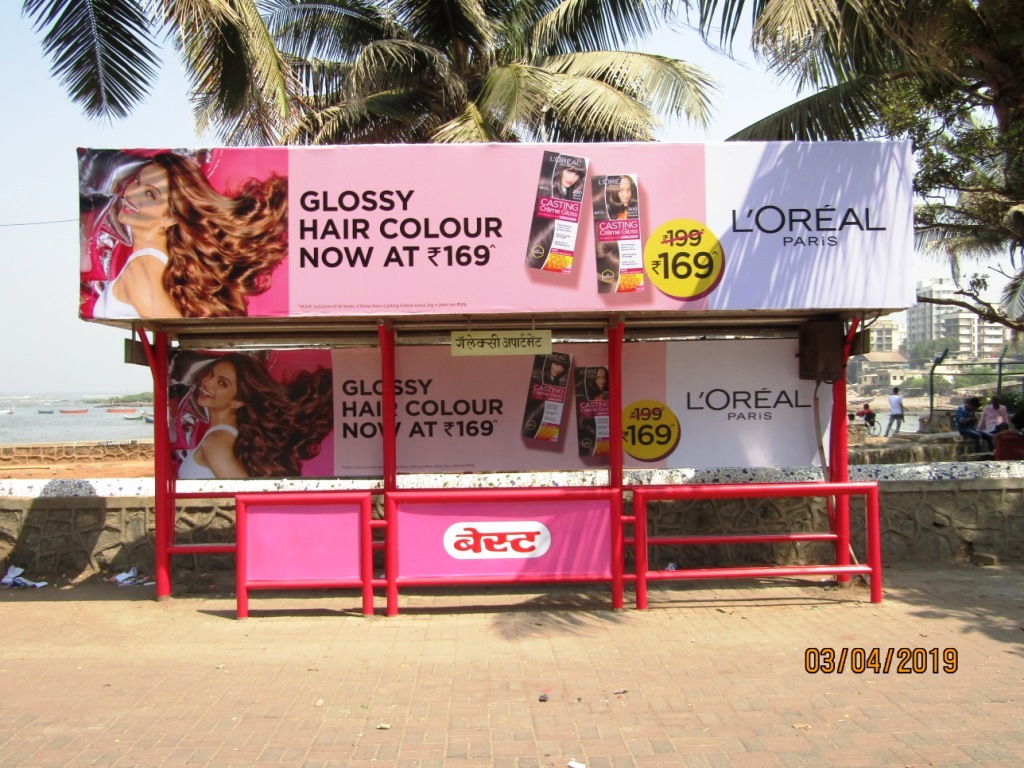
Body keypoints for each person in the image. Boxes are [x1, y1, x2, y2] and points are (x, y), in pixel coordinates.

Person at [93, 152, 287, 319]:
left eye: (150, 194)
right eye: (137, 181)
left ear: (170, 218)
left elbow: (175, 330)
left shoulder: (141, 268)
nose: (132, 193)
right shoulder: (161, 263)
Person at [176, 353, 333, 479]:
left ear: (238, 401)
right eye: (210, 374)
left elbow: (242, 494)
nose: (207, 383)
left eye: (222, 383)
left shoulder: (216, 442)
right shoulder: (231, 435)